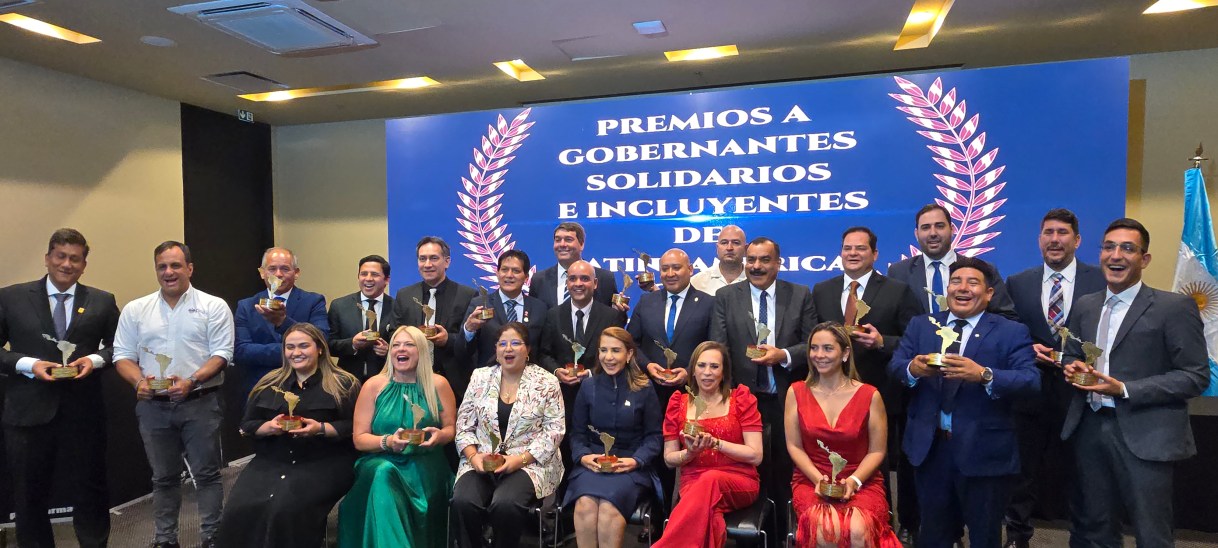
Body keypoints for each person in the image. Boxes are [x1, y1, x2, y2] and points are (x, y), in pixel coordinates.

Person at [1060, 218, 1209, 548]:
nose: (1116, 255)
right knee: (1093, 527)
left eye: (1128, 248)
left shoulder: (1174, 308)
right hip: (1089, 429)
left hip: (1147, 433)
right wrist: (1071, 367)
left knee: (1151, 531)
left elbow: (1195, 376)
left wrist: (1124, 389)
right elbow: (1071, 353)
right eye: (1109, 247)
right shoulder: (1085, 305)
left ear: (1145, 259)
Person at [888, 256, 1040, 548]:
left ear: (989, 293)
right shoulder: (923, 325)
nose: (963, 288)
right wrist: (913, 369)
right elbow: (896, 367)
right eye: (956, 281)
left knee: (984, 536)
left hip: (983, 452)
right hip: (930, 451)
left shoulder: (1010, 331)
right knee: (933, 536)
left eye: (973, 282)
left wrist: (983, 374)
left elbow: (1031, 380)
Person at [0, 228, 120, 548]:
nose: (67, 264)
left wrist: (94, 360)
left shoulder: (103, 301)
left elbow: (120, 347)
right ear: (47, 258)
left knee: (90, 490)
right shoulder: (10, 297)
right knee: (29, 494)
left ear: (84, 265)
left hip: (83, 413)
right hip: (27, 414)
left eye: (75, 259)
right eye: (61, 256)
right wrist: (28, 364)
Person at [113, 241, 235, 548]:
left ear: (190, 268)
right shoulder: (136, 310)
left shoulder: (213, 306)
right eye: (162, 266)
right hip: (153, 407)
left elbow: (222, 353)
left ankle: (213, 537)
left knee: (206, 475)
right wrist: (137, 382)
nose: (169, 272)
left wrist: (192, 381)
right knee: (163, 477)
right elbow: (122, 356)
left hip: (200, 402)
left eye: (176, 265)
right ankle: (165, 539)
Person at [1002, 209, 1105, 548]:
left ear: (1077, 240)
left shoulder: (1099, 280)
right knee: (1023, 472)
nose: (1055, 239)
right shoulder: (1018, 282)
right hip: (1030, 391)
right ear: (1039, 240)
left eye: (1062, 233)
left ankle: (1083, 538)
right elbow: (1008, 328)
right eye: (1048, 232)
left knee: (1081, 471)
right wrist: (1025, 345)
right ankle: (1017, 536)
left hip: (1079, 392)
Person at [810, 226, 921, 540]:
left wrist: (882, 341)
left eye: (860, 248)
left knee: (880, 462)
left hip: (880, 392)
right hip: (830, 394)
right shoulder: (822, 290)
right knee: (831, 457)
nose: (853, 253)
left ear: (875, 254)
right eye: (847, 248)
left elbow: (915, 340)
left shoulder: (898, 290)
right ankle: (835, 520)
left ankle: (888, 523)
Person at [217, 323, 361, 548]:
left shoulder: (344, 384)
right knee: (239, 508)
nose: (296, 352)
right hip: (271, 460)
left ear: (319, 348)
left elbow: (356, 426)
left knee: (286, 509)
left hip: (324, 461)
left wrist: (321, 428)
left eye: (304, 346)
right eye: (290, 347)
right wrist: (269, 427)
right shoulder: (268, 384)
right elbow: (248, 424)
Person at [709, 236, 814, 536]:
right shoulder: (726, 296)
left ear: (778, 263)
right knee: (746, 473)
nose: (756, 266)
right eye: (751, 260)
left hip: (785, 401)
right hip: (742, 402)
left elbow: (813, 343)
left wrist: (784, 355)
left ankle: (782, 535)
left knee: (783, 473)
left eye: (765, 260)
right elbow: (719, 348)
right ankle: (749, 538)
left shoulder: (800, 294)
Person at [338, 325, 457, 547]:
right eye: (396, 345)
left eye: (409, 344)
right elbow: (360, 439)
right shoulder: (374, 386)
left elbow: (451, 429)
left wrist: (440, 436)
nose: (401, 349)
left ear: (421, 351)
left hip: (426, 462)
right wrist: (388, 442)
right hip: (381, 459)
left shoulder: (438, 384)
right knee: (384, 473)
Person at [787, 323, 900, 548]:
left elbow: (877, 451)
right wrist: (818, 480)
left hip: (861, 480)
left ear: (845, 353)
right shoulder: (796, 392)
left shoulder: (870, 395)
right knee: (827, 529)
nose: (819, 355)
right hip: (811, 479)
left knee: (857, 530)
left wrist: (853, 481)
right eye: (814, 348)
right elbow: (794, 446)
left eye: (828, 348)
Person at [452, 323, 566, 548]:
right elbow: (463, 426)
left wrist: (519, 460)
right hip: (482, 459)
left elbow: (554, 431)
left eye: (515, 343)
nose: (508, 349)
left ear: (528, 349)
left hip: (529, 462)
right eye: (502, 344)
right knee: (463, 501)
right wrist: (474, 457)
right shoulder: (480, 377)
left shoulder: (547, 382)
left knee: (505, 504)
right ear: (496, 350)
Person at [654, 341, 763, 548]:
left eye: (714, 366)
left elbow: (756, 455)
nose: (707, 372)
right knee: (711, 518)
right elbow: (669, 459)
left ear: (724, 372)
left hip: (739, 480)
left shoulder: (741, 399)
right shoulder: (677, 403)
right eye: (701, 365)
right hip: (693, 482)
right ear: (692, 370)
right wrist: (690, 454)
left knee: (710, 478)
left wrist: (716, 443)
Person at [625, 248, 713, 502]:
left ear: (690, 270)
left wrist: (690, 372)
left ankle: (693, 509)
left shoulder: (709, 303)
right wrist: (648, 365)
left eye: (676, 267)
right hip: (652, 393)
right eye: (665, 269)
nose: (670, 273)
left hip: (694, 394)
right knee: (656, 456)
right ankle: (658, 512)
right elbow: (632, 342)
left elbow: (715, 346)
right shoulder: (647, 302)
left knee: (695, 456)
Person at [565, 327, 662, 548]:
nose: (608, 357)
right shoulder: (588, 386)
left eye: (616, 351)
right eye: (603, 350)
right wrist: (583, 456)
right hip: (592, 464)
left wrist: (636, 460)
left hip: (629, 467)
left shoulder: (645, 388)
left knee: (609, 508)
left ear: (629, 354)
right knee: (585, 505)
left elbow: (654, 437)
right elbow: (577, 434)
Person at [887, 203, 1018, 320]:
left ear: (952, 229)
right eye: (926, 228)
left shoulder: (983, 270)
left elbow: (1006, 317)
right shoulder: (898, 272)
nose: (933, 233)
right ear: (916, 234)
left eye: (939, 226)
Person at [390, 236, 477, 400]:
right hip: (411, 381)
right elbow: (394, 333)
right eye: (422, 259)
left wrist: (448, 340)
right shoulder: (404, 295)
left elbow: (474, 341)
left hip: (454, 383)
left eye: (434, 258)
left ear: (447, 262)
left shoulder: (467, 295)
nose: (427, 264)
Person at [235, 247, 330, 391]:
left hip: (305, 386)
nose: (278, 274)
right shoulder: (246, 306)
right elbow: (241, 351)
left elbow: (321, 340)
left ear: (296, 273)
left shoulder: (313, 301)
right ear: (262, 273)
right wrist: (295, 351)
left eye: (285, 269)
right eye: (272, 269)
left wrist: (283, 322)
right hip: (260, 387)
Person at [538, 260, 628, 407]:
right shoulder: (553, 315)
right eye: (572, 279)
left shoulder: (611, 316)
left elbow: (618, 357)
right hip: (561, 398)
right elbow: (544, 354)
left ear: (595, 283)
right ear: (567, 283)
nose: (578, 284)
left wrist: (591, 373)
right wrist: (556, 371)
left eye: (585, 278)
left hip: (601, 396)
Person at [458, 249, 549, 369]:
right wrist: (469, 330)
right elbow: (461, 352)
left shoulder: (539, 308)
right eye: (504, 270)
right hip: (490, 376)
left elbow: (544, 351)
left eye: (516, 271)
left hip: (529, 376)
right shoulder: (479, 304)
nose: (509, 275)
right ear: (497, 273)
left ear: (526, 277)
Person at [327, 254, 394, 382]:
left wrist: (389, 351)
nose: (368, 279)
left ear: (386, 280)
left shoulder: (397, 307)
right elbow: (328, 345)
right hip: (348, 381)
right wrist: (352, 344)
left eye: (374, 274)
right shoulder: (339, 306)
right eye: (363, 274)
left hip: (386, 381)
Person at [528, 222, 619, 309]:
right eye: (558, 240)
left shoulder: (605, 278)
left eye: (568, 240)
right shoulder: (539, 280)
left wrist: (620, 310)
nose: (562, 244)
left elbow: (614, 316)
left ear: (581, 244)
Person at [690, 225, 747, 295]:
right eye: (724, 243)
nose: (729, 248)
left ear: (745, 249)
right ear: (717, 248)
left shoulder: (754, 281)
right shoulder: (696, 283)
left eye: (736, 243)